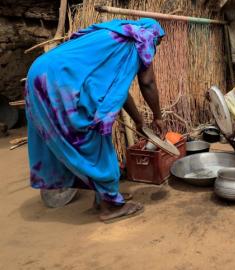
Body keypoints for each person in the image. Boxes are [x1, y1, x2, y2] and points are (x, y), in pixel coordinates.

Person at [25, 18, 166, 222]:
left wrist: (139, 122)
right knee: (93, 138)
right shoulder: (143, 37)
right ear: (156, 35)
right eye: (159, 43)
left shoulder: (117, 37)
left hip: (41, 72)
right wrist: (158, 117)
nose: (155, 49)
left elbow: (119, 90)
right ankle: (110, 207)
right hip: (58, 80)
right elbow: (148, 83)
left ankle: (106, 195)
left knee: (93, 138)